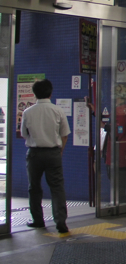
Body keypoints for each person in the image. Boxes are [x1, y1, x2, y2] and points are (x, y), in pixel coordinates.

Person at [20, 79, 70, 234]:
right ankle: (60, 222)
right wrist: (60, 151)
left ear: (35, 94)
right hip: (53, 153)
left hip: (34, 154)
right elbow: (65, 135)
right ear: (50, 93)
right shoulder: (58, 111)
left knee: (34, 187)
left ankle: (38, 220)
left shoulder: (27, 112)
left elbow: (24, 134)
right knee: (57, 187)